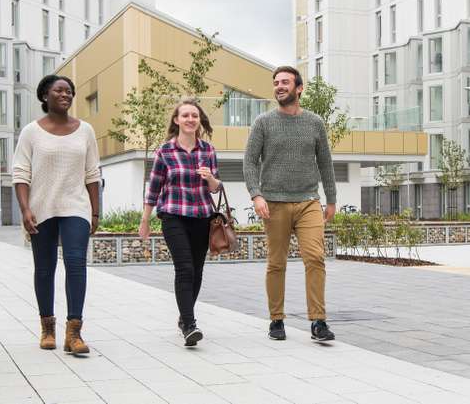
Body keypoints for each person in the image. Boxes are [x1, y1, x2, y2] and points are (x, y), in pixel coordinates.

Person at [243, 66, 336, 342]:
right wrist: (256, 194)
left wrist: (331, 199)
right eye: (276, 82)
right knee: (276, 262)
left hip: (308, 201)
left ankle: (318, 321)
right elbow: (249, 162)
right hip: (274, 203)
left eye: (285, 82)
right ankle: (276, 320)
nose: (279, 86)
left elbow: (326, 163)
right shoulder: (263, 122)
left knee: (315, 258)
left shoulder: (315, 123)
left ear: (299, 88)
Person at [12, 75, 101, 355]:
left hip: (76, 205)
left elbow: (92, 173)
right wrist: (25, 209)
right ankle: (47, 327)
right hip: (41, 207)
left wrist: (95, 211)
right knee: (45, 267)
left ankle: (74, 332)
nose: (66, 94)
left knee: (76, 264)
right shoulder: (31, 132)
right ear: (44, 96)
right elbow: (20, 173)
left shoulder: (85, 130)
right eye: (59, 90)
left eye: (69, 91)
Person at [139, 98, 220, 347]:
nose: (190, 119)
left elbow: (217, 188)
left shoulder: (208, 150)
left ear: (199, 120)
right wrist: (145, 219)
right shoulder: (165, 151)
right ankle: (190, 323)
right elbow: (154, 188)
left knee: (197, 271)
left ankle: (184, 318)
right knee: (184, 269)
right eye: (185, 115)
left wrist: (209, 179)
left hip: (202, 216)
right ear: (177, 120)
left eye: (194, 116)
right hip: (173, 215)